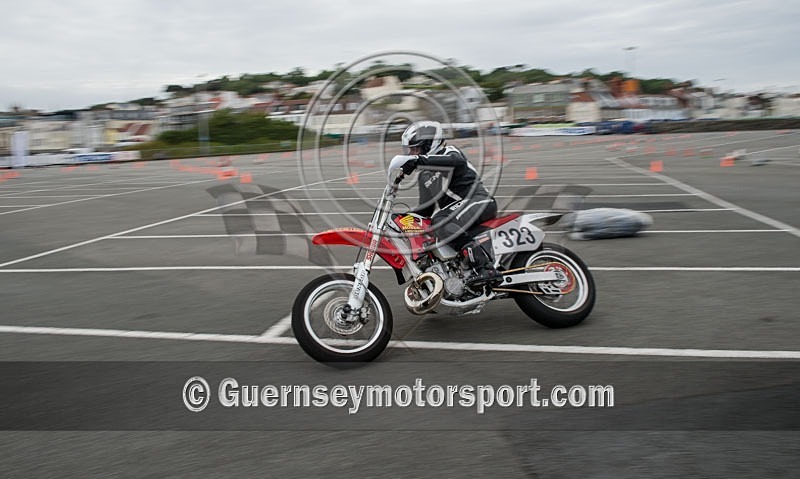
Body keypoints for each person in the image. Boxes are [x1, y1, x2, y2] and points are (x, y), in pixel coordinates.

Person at [398, 121, 502, 287]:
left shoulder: (449, 152)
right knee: (431, 225)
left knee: (442, 220)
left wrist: (419, 160)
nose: (411, 154)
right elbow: (426, 209)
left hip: (479, 200)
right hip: (459, 212)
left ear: (429, 145)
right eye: (410, 150)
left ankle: (485, 268)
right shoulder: (424, 176)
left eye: (415, 149)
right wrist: (400, 219)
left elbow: (457, 161)